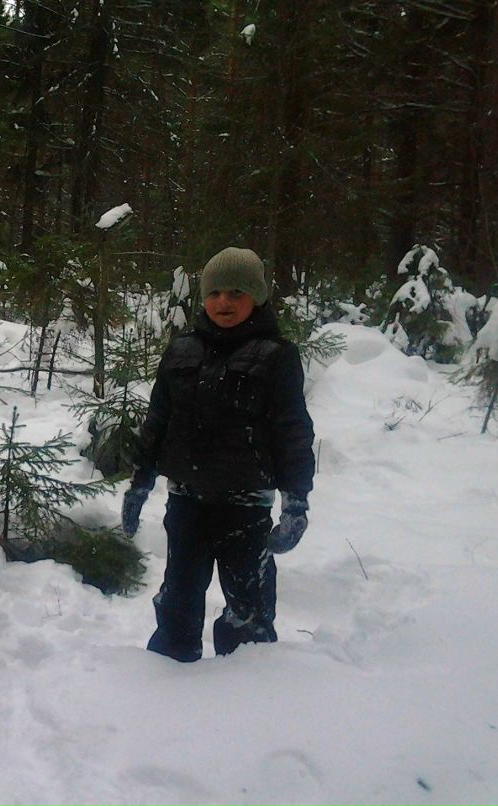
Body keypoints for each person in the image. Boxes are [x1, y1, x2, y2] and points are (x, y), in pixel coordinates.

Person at [122, 247, 315, 662]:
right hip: (187, 502)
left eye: (236, 292)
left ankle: (247, 699)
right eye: (214, 293)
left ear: (257, 297)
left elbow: (293, 432)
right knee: (177, 599)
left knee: (248, 612)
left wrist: (296, 503)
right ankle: (165, 681)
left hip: (245, 509)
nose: (223, 302)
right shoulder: (181, 350)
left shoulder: (276, 356)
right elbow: (158, 421)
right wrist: (140, 482)